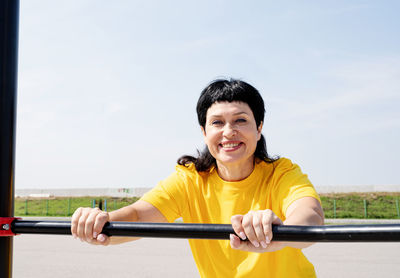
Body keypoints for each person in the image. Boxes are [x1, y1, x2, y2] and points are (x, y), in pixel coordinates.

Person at [71, 79, 324, 277]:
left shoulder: (282, 173)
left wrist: (276, 233)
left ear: (259, 128)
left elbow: (311, 217)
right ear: (204, 132)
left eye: (240, 120)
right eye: (217, 122)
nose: (229, 132)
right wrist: (100, 222)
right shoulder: (190, 179)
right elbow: (139, 215)